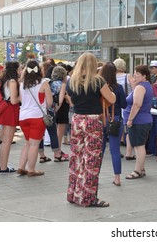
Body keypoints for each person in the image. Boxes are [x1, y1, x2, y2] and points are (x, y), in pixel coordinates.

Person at [66, 52, 115, 208]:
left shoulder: (71, 81)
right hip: (93, 121)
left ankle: (73, 193)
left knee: (77, 157)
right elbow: (112, 99)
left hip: (77, 120)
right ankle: (88, 198)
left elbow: (72, 101)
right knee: (92, 160)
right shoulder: (98, 81)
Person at [17, 60, 53, 177]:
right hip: (37, 117)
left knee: (28, 143)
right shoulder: (44, 83)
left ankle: (21, 167)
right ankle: (31, 169)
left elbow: (21, 100)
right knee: (34, 144)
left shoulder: (22, 84)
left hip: (23, 117)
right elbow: (49, 102)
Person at [99, 62, 127, 186]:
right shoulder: (119, 87)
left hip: (101, 119)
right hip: (115, 119)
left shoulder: (98, 87)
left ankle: (95, 176)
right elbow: (125, 105)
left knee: (100, 150)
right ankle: (117, 178)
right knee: (115, 151)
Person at [123, 65, 153, 179]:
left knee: (139, 146)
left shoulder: (140, 87)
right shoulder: (147, 86)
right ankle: (142, 168)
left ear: (144, 76)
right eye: (134, 72)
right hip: (144, 120)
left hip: (139, 121)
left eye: (138, 74)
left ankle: (137, 171)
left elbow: (137, 104)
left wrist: (130, 119)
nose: (135, 75)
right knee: (140, 146)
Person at [38, 65, 69, 162]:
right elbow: (60, 101)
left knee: (40, 134)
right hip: (50, 111)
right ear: (63, 75)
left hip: (41, 110)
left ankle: (42, 156)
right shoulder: (62, 85)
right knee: (53, 133)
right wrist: (55, 110)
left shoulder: (47, 82)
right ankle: (57, 154)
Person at [0, 61, 20, 173]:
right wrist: (22, 97)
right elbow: (14, 100)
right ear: (15, 70)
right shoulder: (12, 81)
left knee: (4, 141)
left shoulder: (5, 81)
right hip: (11, 110)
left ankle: (2, 166)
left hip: (5, 110)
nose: (20, 71)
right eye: (19, 69)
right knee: (7, 141)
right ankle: (4, 167)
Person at [113, 57, 135, 160]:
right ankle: (128, 151)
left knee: (117, 129)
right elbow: (135, 89)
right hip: (127, 104)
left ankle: (117, 149)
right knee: (128, 128)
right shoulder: (128, 76)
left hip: (115, 105)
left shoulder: (112, 78)